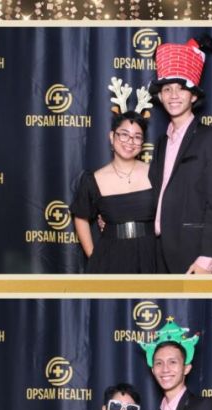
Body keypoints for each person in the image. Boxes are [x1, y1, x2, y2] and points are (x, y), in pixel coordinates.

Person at [148, 35, 212, 274]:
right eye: (167, 89)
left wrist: (207, 258)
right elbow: (157, 192)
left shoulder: (210, 137)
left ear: (194, 96)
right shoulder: (162, 142)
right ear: (160, 96)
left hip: (193, 252)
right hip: (157, 250)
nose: (174, 95)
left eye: (181, 89)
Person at [71, 78, 157, 273]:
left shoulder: (155, 172)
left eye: (137, 137)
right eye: (124, 134)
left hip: (151, 253)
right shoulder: (93, 179)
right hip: (111, 257)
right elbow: (81, 217)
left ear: (143, 142)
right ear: (112, 137)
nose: (130, 141)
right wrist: (94, 256)